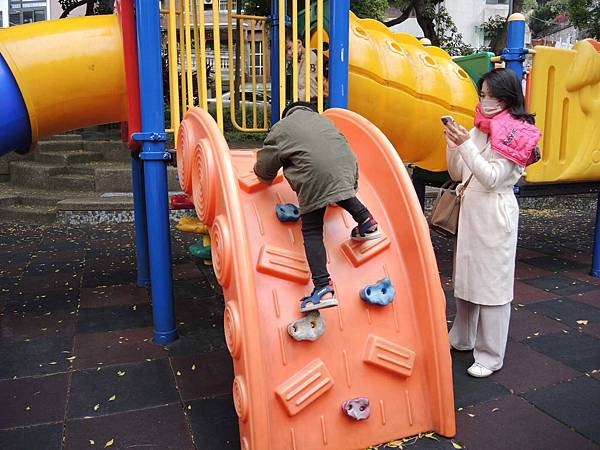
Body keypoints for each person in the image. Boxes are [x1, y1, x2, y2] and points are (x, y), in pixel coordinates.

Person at [443, 69, 541, 378]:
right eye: (482, 94)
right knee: (467, 278)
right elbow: (460, 173)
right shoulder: (479, 128)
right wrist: (454, 142)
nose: (485, 101)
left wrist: (466, 145)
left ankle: (490, 354)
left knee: (493, 287)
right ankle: (463, 336)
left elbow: (494, 177)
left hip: (494, 214)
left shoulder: (517, 132)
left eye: (492, 95)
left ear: (508, 98)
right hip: (472, 210)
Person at [253, 101, 381, 313]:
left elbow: (266, 166)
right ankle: (367, 221)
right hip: (348, 171)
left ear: (287, 115)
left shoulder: (283, 127)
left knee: (312, 230)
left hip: (315, 177)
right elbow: (339, 153)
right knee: (336, 185)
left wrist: (262, 175)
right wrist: (351, 186)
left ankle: (323, 288)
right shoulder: (325, 122)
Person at [285, 30, 328, 103]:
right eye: (286, 52)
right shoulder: (295, 63)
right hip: (302, 101)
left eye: (289, 48)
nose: (289, 53)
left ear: (299, 43)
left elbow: (330, 71)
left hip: (317, 100)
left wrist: (326, 90)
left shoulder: (315, 54)